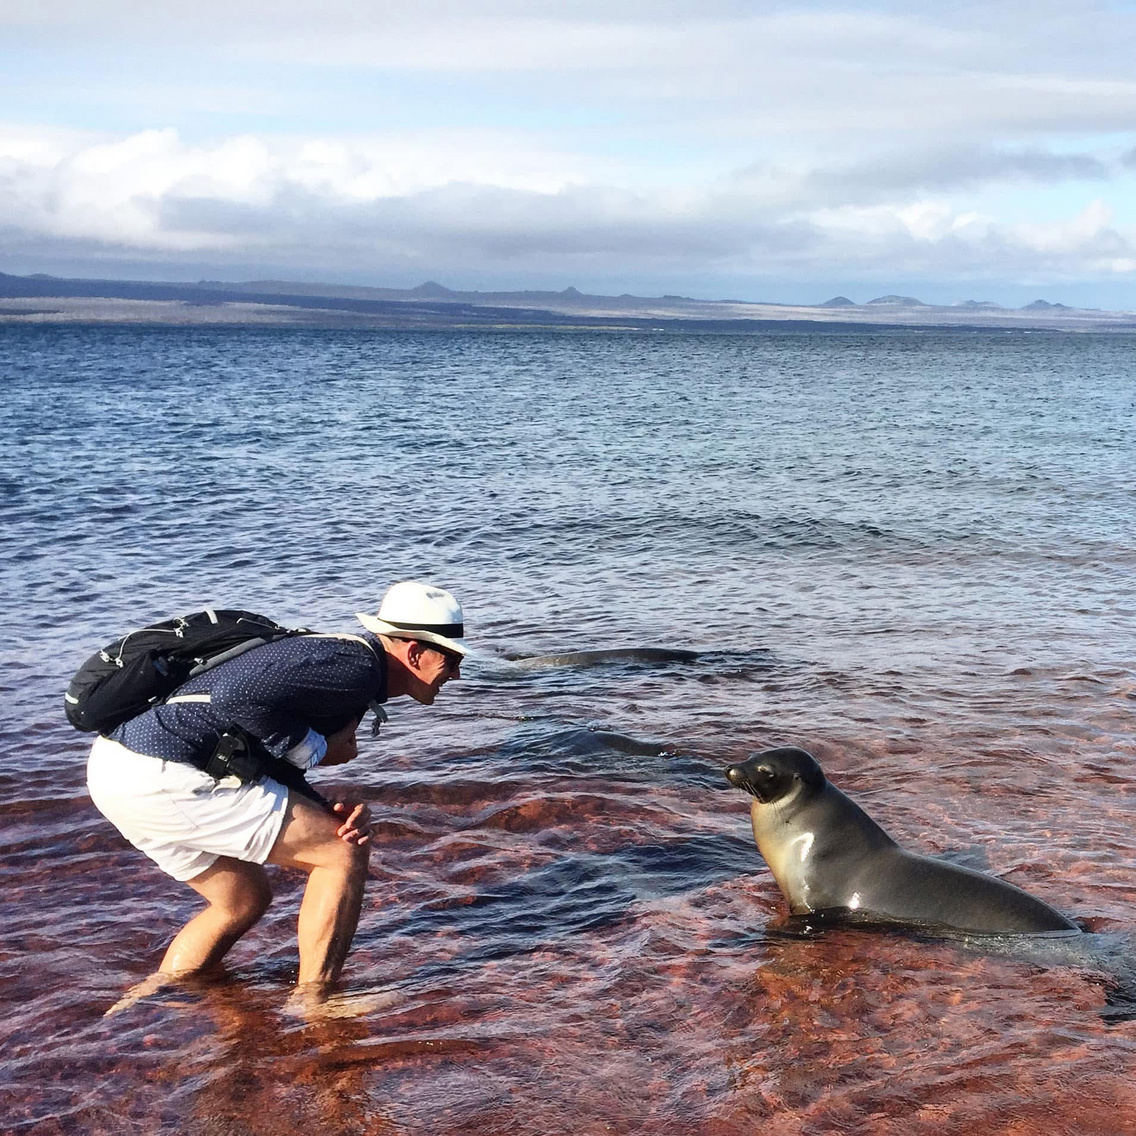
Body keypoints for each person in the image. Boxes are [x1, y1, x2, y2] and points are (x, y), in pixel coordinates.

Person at [86, 580, 467, 1006]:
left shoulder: (337, 658)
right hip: (163, 772)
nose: (455, 673)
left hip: (117, 768)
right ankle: (316, 1003)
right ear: (414, 652)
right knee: (340, 854)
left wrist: (321, 808)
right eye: (450, 660)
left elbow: (256, 746)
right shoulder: (356, 667)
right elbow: (236, 698)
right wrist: (317, 749)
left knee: (241, 900)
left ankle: (148, 1001)